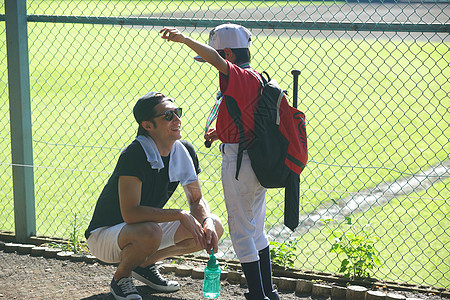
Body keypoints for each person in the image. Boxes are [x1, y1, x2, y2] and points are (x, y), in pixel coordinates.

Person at [160, 24, 280, 300]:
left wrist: (185, 39)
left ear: (228, 55)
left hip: (240, 162)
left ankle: (258, 296)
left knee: (240, 234)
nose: (213, 65)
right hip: (256, 159)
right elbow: (248, 117)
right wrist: (221, 132)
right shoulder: (256, 78)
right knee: (255, 230)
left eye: (218, 57)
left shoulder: (237, 75)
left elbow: (218, 61)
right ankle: (268, 292)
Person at [85, 91, 224, 300]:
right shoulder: (135, 154)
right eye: (168, 116)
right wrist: (179, 214)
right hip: (105, 235)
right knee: (150, 232)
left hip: (145, 229)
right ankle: (120, 278)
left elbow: (196, 200)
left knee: (214, 224)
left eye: (177, 112)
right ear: (148, 125)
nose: (177, 119)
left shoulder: (184, 150)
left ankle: (145, 263)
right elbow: (130, 214)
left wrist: (205, 221)